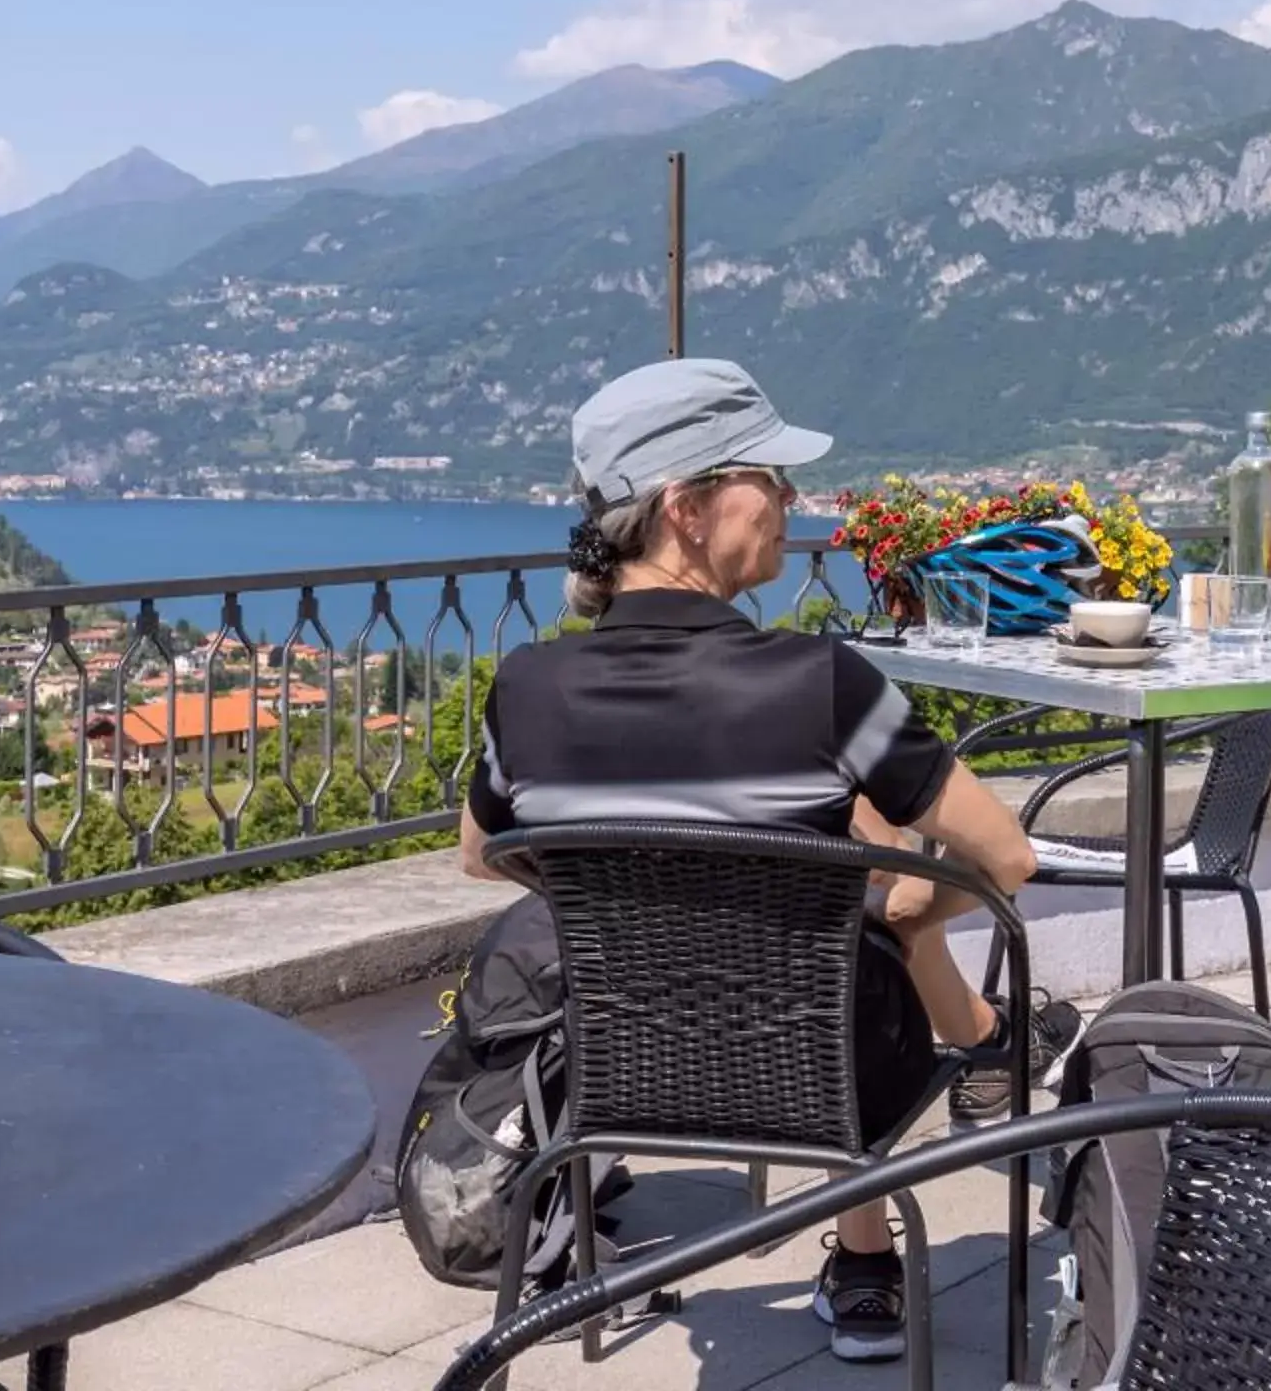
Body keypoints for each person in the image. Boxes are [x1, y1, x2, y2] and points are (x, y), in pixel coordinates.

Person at [458, 356, 1075, 1365]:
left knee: (845, 864)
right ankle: (880, 1249)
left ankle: (868, 1247)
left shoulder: (526, 686)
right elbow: (1005, 854)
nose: (794, 499)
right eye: (770, 478)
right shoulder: (821, 679)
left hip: (624, 1063)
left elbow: (487, 855)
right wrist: (907, 908)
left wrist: (631, 894)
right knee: (868, 907)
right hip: (835, 1067)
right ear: (687, 508)